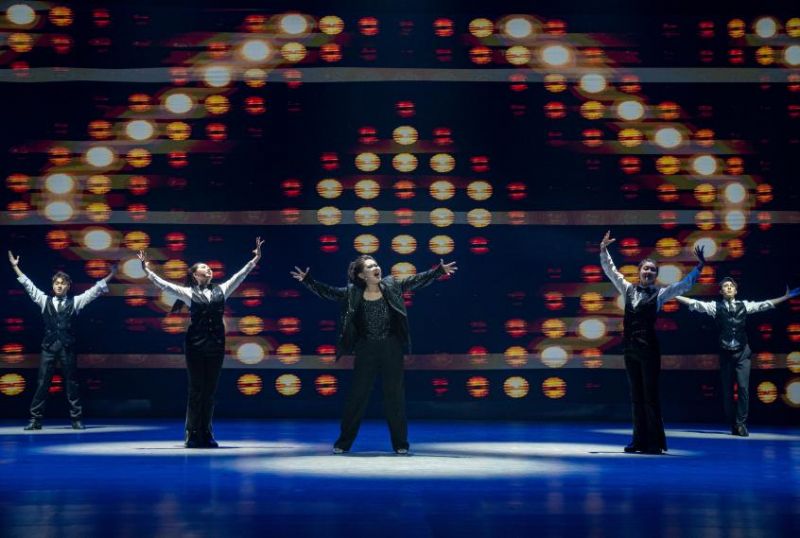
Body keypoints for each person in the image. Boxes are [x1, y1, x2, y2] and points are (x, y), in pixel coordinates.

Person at [291, 256, 457, 454]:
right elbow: (330, 293)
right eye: (370, 266)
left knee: (394, 397)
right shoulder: (353, 292)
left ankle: (400, 444)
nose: (376, 267)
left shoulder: (392, 285)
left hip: (391, 348)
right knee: (357, 397)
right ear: (362, 275)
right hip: (366, 349)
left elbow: (415, 280)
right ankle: (343, 443)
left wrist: (438, 271)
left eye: (376, 264)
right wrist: (308, 281)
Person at [138, 237, 263, 448]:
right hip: (195, 345)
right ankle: (192, 433)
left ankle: (206, 432)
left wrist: (255, 259)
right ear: (195, 275)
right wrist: (147, 270)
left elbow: (239, 276)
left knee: (209, 391)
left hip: (216, 345)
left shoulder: (222, 289)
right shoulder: (188, 293)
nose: (208, 269)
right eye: (203, 268)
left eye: (209, 267)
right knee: (197, 390)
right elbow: (164, 285)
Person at [599, 231, 705, 454]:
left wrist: (699, 267)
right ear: (639, 271)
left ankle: (655, 443)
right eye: (645, 269)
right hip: (630, 350)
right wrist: (604, 250)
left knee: (650, 397)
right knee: (636, 398)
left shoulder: (660, 294)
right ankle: (638, 441)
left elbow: (683, 286)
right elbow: (612, 272)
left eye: (652, 270)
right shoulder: (628, 289)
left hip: (649, 350)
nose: (648, 272)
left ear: (656, 275)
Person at [676, 279, 797, 436]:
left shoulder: (744, 305)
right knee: (727, 392)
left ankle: (741, 424)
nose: (728, 288)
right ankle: (733, 422)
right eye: (725, 286)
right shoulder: (715, 307)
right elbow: (695, 303)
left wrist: (785, 297)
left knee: (743, 388)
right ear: (721, 291)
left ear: (735, 290)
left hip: (742, 353)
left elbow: (765, 304)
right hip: (726, 353)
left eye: (731, 286)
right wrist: (673, 295)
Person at [9, 250, 114, 430]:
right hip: (49, 347)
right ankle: (35, 420)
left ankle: (76, 419)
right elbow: (28, 285)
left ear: (68, 286)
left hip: (67, 347)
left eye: (62, 283)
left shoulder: (76, 301)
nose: (59, 286)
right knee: (42, 383)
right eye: (56, 283)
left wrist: (112, 274)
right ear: (53, 285)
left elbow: (95, 291)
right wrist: (15, 267)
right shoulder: (44, 300)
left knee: (71, 383)